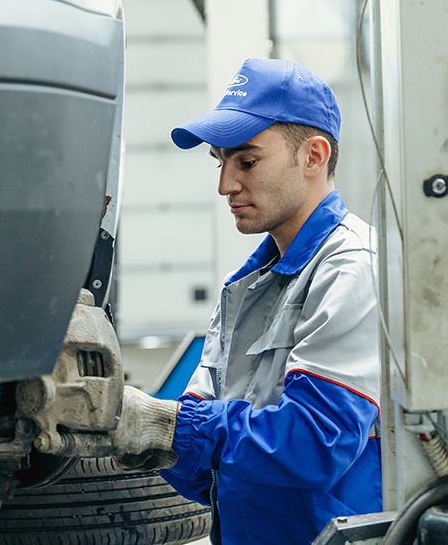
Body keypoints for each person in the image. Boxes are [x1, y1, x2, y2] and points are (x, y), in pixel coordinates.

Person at [111, 58, 382, 544]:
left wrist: (169, 428)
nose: (225, 185)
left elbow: (316, 443)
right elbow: (208, 470)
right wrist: (132, 432)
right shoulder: (246, 288)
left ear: (313, 156)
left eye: (247, 162)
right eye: (221, 162)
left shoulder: (351, 269)